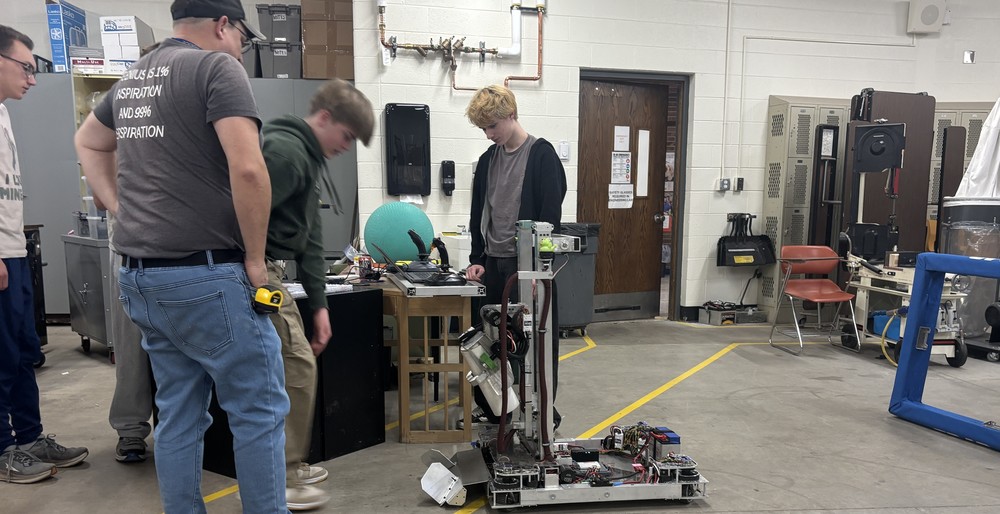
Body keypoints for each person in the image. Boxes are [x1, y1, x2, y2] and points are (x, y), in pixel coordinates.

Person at [74, 2, 290, 512]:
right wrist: (256, 262)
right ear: (222, 25)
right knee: (258, 412)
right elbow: (251, 171)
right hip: (208, 277)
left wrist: (120, 208)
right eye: (242, 37)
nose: (241, 48)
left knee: (178, 413)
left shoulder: (132, 80)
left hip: (143, 281)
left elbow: (88, 140)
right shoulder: (217, 68)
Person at [261, 79, 373, 510]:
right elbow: (238, 212)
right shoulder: (285, 154)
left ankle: (288, 462)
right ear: (323, 119)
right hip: (253, 269)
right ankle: (283, 473)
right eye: (345, 136)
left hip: (268, 268)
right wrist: (254, 272)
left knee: (294, 365)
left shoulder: (307, 156)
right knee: (296, 365)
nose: (346, 146)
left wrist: (320, 306)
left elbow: (309, 240)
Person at [1, 24, 90, 484]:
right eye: (25, 68)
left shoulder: (3, 114)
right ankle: (2, 449)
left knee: (22, 350)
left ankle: (29, 437)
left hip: (12, 250)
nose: (32, 79)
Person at [464, 84, 567, 426]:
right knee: (492, 340)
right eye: (483, 129)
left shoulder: (542, 155)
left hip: (528, 267)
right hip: (494, 263)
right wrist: (477, 256)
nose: (488, 134)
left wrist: (540, 272)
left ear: (511, 115)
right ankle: (496, 409)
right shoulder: (487, 160)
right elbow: (479, 210)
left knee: (535, 340)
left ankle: (542, 410)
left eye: (492, 126)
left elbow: (551, 217)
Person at [105, 42, 160, 465]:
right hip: (131, 243)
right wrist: (118, 209)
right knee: (132, 345)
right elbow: (91, 147)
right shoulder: (127, 101)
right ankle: (130, 430)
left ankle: (181, 428)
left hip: (177, 244)